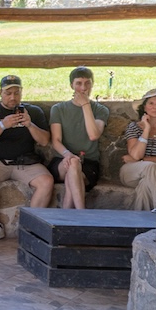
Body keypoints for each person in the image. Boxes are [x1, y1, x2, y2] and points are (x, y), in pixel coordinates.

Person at [0, 74, 52, 243]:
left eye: (16, 93)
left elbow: (44, 141)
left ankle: (31, 228)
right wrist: (2, 125)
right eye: (8, 93)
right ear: (0, 93)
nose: (12, 97)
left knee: (46, 181)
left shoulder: (33, 111)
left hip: (25, 161)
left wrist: (29, 124)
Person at [49, 67, 109, 210]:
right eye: (79, 83)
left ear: (92, 84)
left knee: (72, 174)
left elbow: (93, 135)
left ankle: (67, 216)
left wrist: (85, 105)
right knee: (73, 163)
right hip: (62, 160)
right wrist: (68, 154)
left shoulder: (100, 110)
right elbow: (56, 141)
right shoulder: (58, 109)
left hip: (88, 163)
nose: (83, 88)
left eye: (87, 83)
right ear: (72, 85)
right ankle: (81, 213)